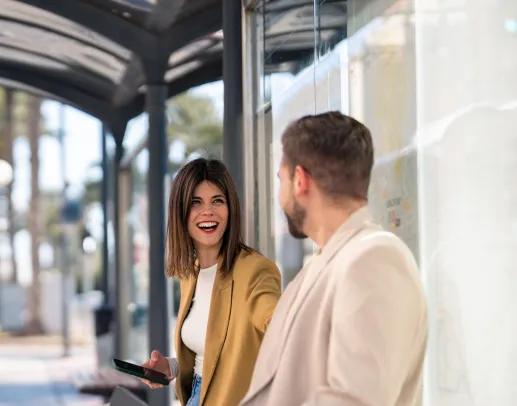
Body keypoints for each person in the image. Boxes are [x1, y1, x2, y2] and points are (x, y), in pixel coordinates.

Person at [241, 112, 427, 406]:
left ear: (300, 180)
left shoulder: (373, 259)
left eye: (282, 179)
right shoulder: (329, 261)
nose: (280, 193)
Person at [141, 158, 281, 406]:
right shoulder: (190, 274)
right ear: (180, 213)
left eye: (218, 201)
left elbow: (280, 325)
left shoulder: (254, 270)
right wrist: (171, 367)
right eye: (196, 203)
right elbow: (210, 354)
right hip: (197, 396)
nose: (208, 211)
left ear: (230, 209)